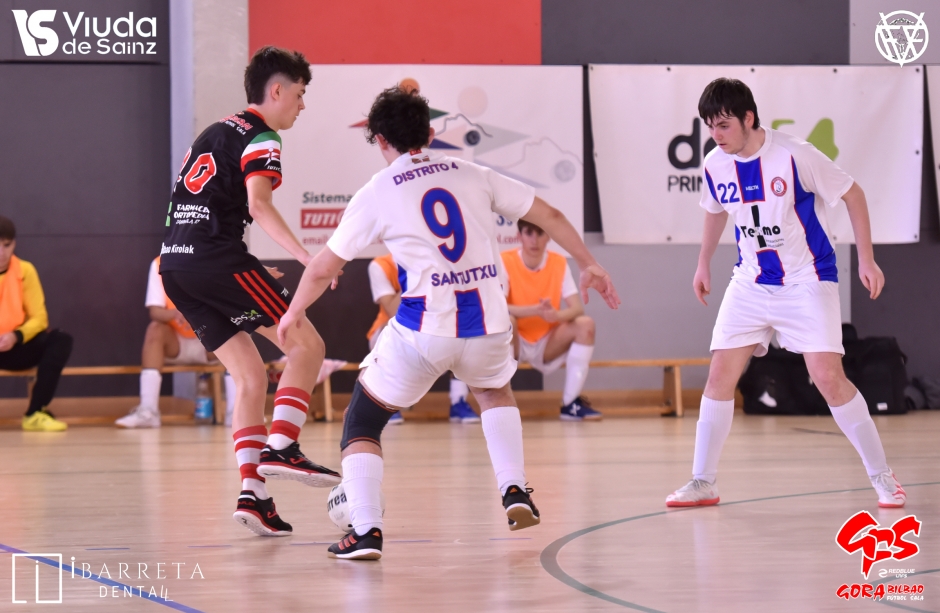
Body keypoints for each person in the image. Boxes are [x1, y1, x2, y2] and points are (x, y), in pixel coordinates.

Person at [278, 87, 620, 560]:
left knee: (363, 420)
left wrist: (293, 311)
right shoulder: (473, 172)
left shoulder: (378, 190)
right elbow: (552, 215)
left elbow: (322, 268)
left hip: (424, 330)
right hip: (489, 326)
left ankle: (367, 530)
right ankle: (515, 489)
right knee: (494, 393)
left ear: (380, 140)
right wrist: (588, 263)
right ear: (431, 132)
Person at [666, 78, 905, 509]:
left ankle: (882, 475)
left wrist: (867, 260)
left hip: (807, 280)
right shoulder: (716, 163)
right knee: (719, 375)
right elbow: (715, 211)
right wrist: (703, 263)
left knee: (828, 378)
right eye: (710, 126)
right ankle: (703, 481)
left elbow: (854, 195)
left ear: (748, 118)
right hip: (750, 281)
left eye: (723, 125)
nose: (716, 135)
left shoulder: (796, 155)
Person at [159, 46, 341, 537]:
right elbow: (259, 205)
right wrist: (307, 256)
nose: (302, 105)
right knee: (307, 345)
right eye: (299, 94)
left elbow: (201, 206)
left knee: (250, 376)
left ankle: (253, 495)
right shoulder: (262, 136)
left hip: (176, 265)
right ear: (276, 91)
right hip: (215, 260)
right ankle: (283, 446)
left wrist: (238, 267)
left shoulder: (215, 131)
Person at [115, 256, 237, 428]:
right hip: (177, 342)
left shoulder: (213, 257)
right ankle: (148, 411)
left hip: (209, 340)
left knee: (236, 328)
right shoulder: (159, 263)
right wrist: (175, 314)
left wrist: (201, 315)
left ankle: (236, 412)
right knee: (155, 329)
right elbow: (155, 312)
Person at [502, 220, 600, 421]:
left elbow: (577, 308)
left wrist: (556, 316)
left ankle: (570, 404)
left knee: (586, 325)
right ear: (519, 236)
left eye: (540, 233)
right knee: (507, 321)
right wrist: (535, 310)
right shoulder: (505, 260)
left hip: (547, 342)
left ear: (548, 236)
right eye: (529, 233)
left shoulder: (558, 262)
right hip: (515, 340)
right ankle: (502, 404)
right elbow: (498, 308)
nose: (534, 240)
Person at [367, 252, 478, 424]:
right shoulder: (380, 265)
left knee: (462, 328)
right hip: (393, 326)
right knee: (388, 334)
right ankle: (388, 404)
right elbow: (393, 311)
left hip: (434, 324)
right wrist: (416, 274)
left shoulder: (441, 259)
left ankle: (458, 401)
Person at [0, 216, 73, 432]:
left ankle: (35, 413)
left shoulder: (25, 270)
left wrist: (16, 336)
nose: (2, 253)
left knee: (60, 339)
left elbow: (39, 318)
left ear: (14, 244)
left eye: (6, 245)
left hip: (12, 346)